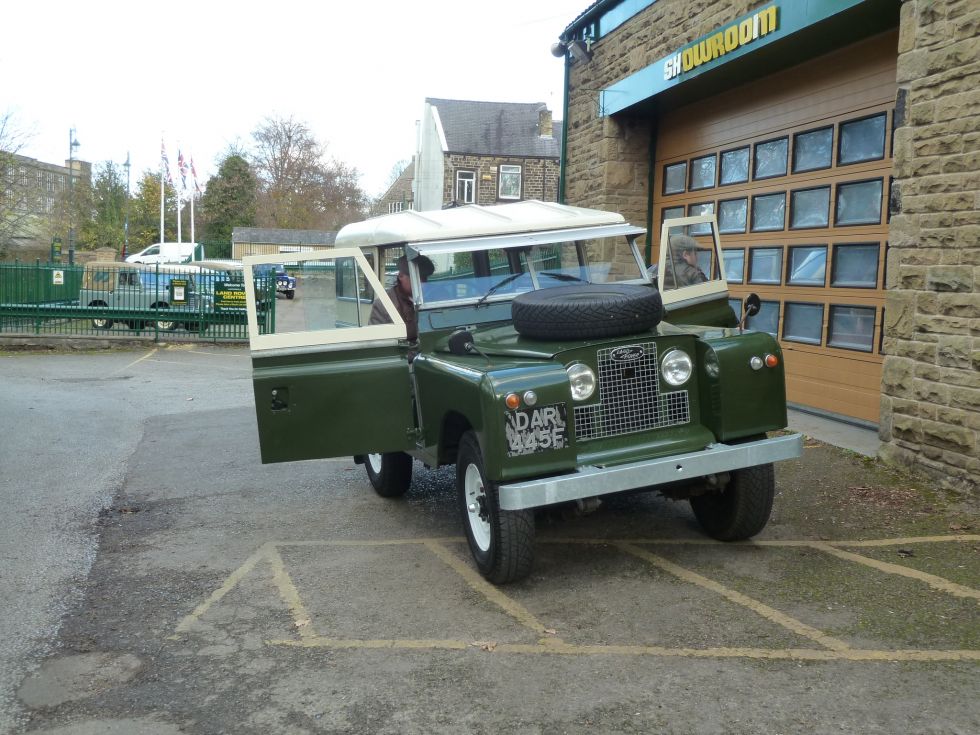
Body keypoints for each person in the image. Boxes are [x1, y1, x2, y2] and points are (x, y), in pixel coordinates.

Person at [369, 254, 435, 342]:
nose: (422, 284)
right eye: (416, 278)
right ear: (401, 276)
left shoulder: (434, 299)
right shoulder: (383, 305)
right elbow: (376, 341)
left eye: (424, 278)